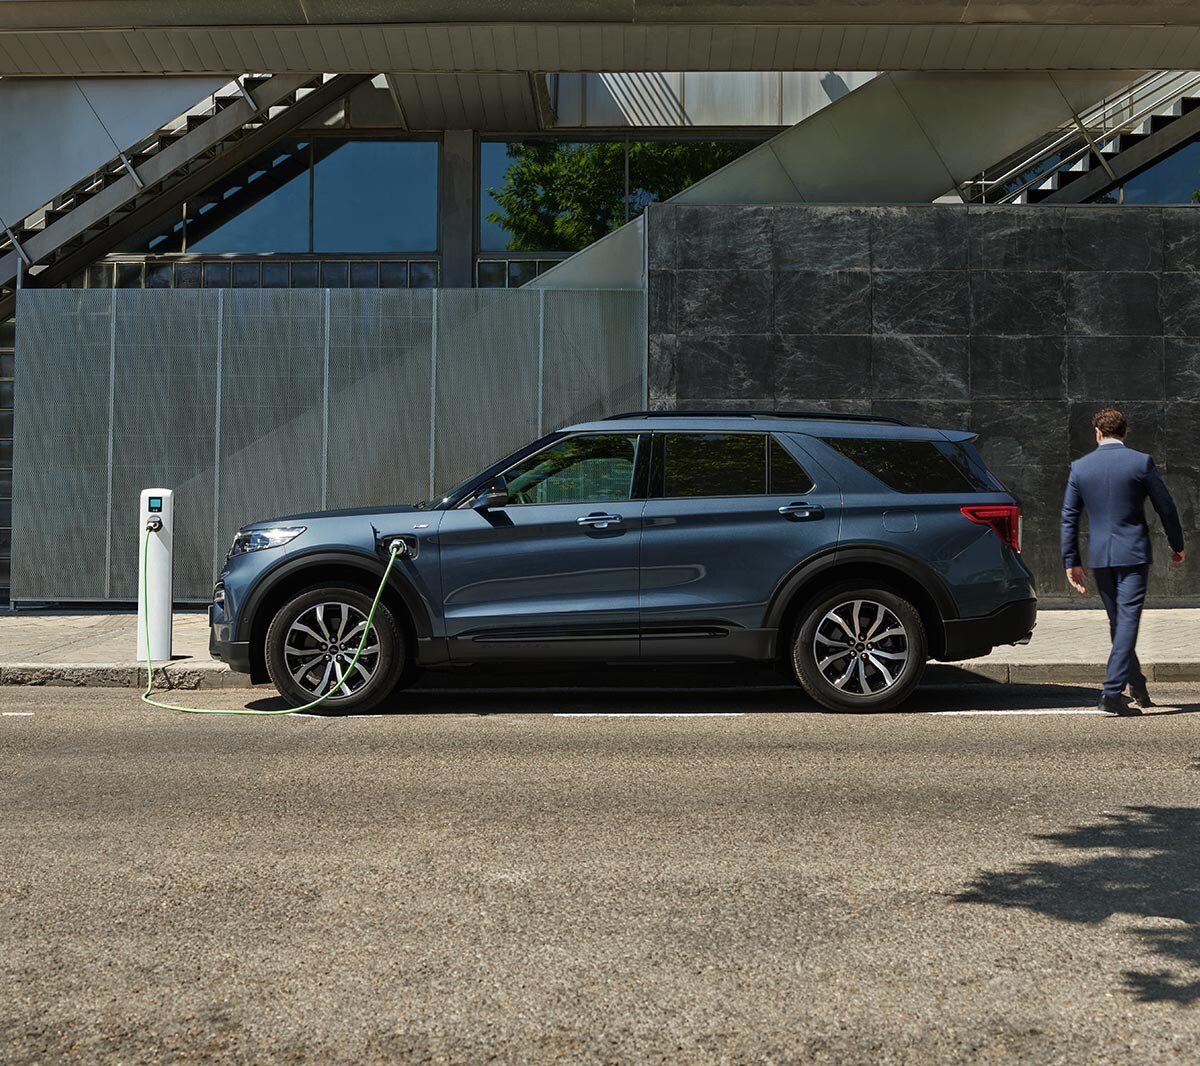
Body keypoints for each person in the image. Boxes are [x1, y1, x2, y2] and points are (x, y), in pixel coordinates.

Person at [1061, 408, 1185, 716]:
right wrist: (1177, 544)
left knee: (1119, 621)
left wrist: (1070, 561)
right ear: (1125, 433)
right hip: (1133, 553)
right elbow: (1166, 507)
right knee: (1127, 620)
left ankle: (1137, 685)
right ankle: (1111, 693)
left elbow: (1069, 518)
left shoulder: (1080, 467)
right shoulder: (1140, 462)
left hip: (1101, 556)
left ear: (1098, 433)